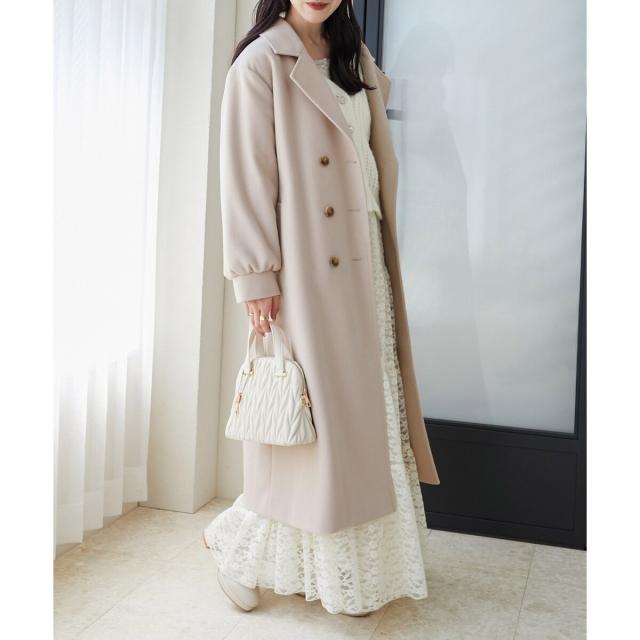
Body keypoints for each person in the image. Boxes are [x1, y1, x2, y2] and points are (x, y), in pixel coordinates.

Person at [203, 0, 440, 617]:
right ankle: (236, 548)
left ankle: (353, 573)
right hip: (308, 272)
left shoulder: (352, 56)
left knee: (367, 421)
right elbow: (246, 178)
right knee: (318, 436)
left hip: (368, 264)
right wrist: (256, 278)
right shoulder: (260, 63)